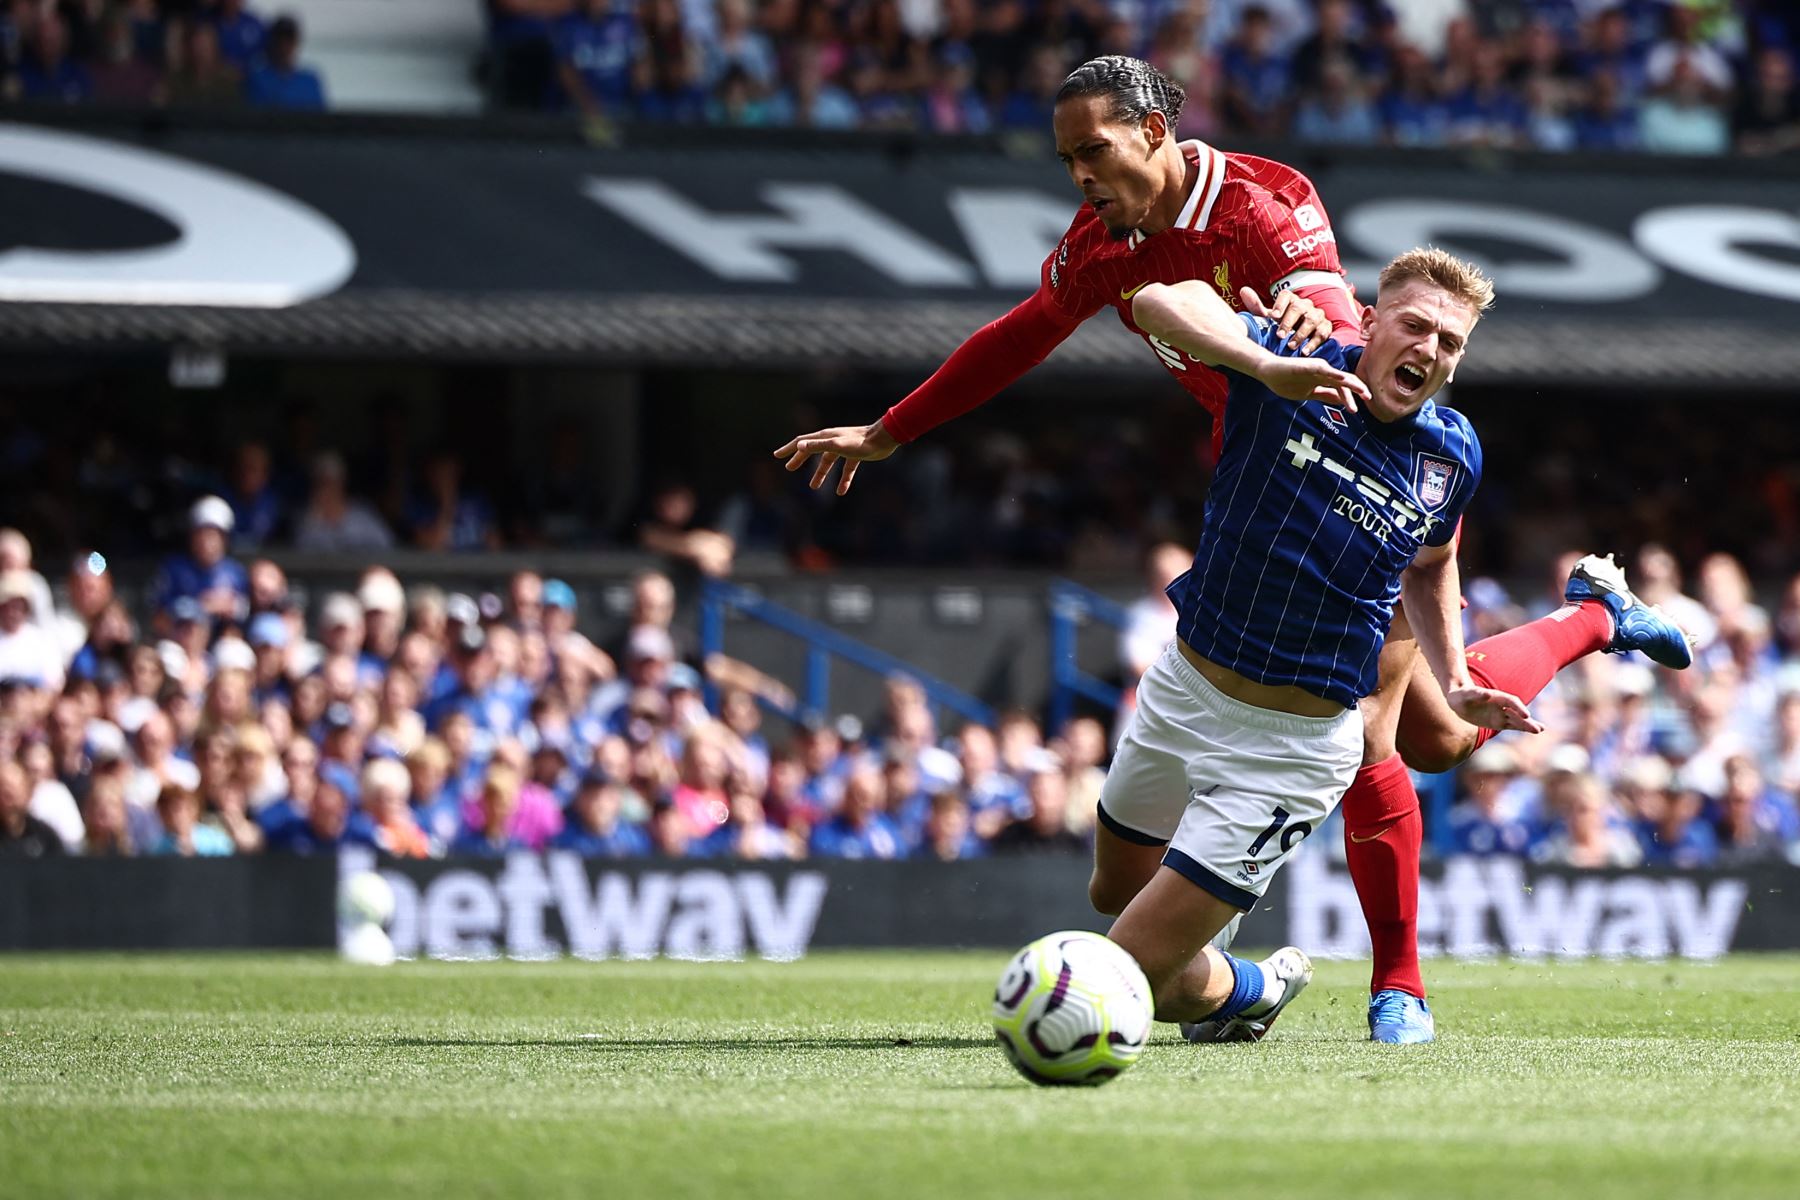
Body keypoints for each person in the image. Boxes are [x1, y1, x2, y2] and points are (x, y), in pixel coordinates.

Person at [775, 54, 1693, 1045]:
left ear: (1155, 136)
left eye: (1094, 150)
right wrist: (890, 431)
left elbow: (1347, 328)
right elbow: (1026, 333)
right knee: (1434, 733)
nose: (1078, 174)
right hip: (1272, 482)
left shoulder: (1263, 202)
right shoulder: (1101, 242)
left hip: (1360, 480)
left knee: (1386, 743)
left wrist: (1313, 324)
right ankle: (1594, 615)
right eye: (1066, 157)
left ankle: (1401, 988)